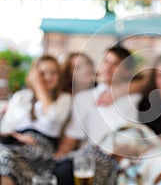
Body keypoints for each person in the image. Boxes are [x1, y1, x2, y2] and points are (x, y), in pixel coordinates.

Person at [53, 46, 142, 185]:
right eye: (106, 61)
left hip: (131, 150)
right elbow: (71, 138)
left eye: (116, 64)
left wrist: (119, 91)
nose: (108, 67)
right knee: (65, 170)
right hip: (99, 153)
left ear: (127, 71)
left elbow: (153, 77)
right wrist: (57, 157)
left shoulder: (137, 96)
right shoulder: (83, 98)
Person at [0, 55, 72, 185]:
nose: (48, 77)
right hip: (16, 141)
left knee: (5, 157)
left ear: (59, 77)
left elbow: (53, 117)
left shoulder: (64, 99)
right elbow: (6, 128)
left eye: (53, 73)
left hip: (41, 146)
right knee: (4, 156)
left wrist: (39, 87)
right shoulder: (21, 97)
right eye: (42, 73)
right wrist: (18, 137)